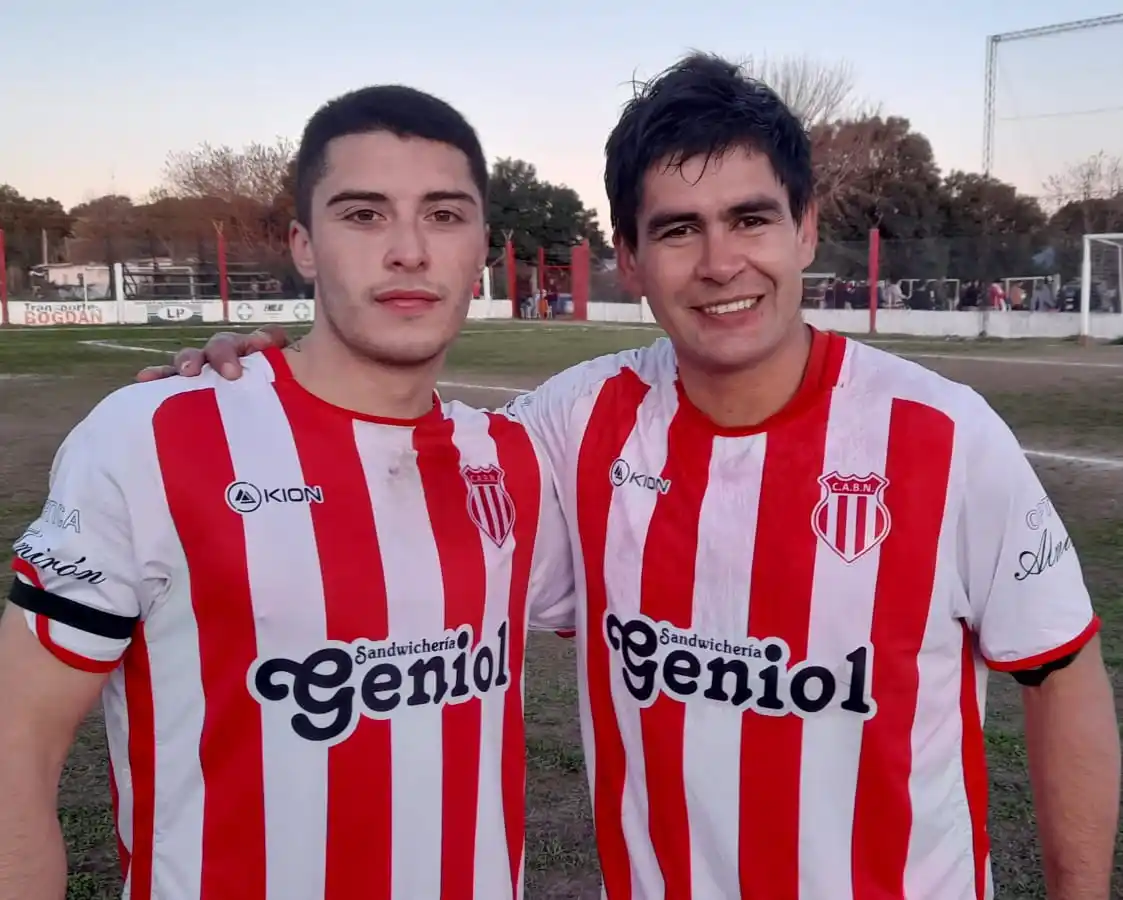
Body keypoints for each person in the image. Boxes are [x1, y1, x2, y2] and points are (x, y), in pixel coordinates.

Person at [139, 54, 1120, 899]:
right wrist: (261, 386)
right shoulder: (570, 428)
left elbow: (1060, 670)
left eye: (749, 219)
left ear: (806, 230)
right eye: (679, 229)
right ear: (631, 257)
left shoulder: (946, 439)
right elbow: (387, 473)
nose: (721, 261)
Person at [0, 85, 576, 900]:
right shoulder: (152, 438)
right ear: (304, 246)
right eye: (364, 214)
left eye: (444, 216)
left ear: (482, 245)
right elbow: (16, 741)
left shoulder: (514, 459)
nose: (409, 249)